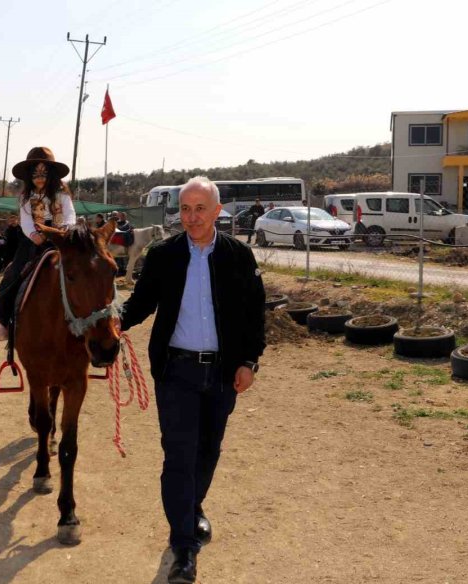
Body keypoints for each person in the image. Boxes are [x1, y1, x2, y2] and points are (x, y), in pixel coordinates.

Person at [119, 176, 265, 584]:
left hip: (222, 372)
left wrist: (249, 362)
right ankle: (183, 544)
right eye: (185, 209)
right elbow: (141, 303)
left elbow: (255, 314)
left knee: (208, 451)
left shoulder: (238, 255)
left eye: (200, 208)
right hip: (176, 372)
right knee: (179, 456)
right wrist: (114, 321)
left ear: (218, 211)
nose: (192, 216)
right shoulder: (164, 254)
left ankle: (192, 506)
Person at [0, 146, 76, 341]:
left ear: (52, 174)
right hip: (33, 241)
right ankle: (7, 324)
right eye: (35, 173)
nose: (39, 178)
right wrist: (33, 234)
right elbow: (26, 220)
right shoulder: (24, 197)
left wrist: (64, 229)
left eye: (44, 173)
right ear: (29, 176)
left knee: (86, 268)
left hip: (60, 237)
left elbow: (70, 214)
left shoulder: (62, 194)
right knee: (13, 276)